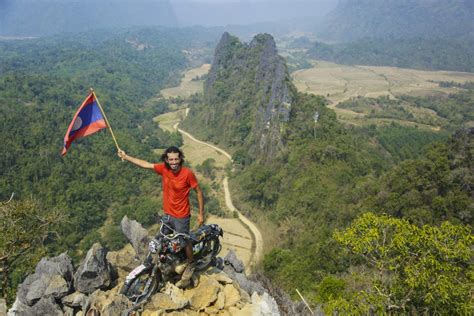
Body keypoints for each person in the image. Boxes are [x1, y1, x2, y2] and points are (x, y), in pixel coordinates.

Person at [118, 146, 204, 288]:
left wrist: (201, 214)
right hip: (168, 215)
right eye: (171, 159)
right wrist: (126, 157)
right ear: (166, 160)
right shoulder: (164, 169)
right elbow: (145, 164)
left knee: (184, 241)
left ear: (180, 158)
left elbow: (199, 192)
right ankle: (166, 264)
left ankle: (190, 263)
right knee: (161, 241)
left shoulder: (187, 174)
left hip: (182, 216)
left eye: (176, 159)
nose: (174, 162)